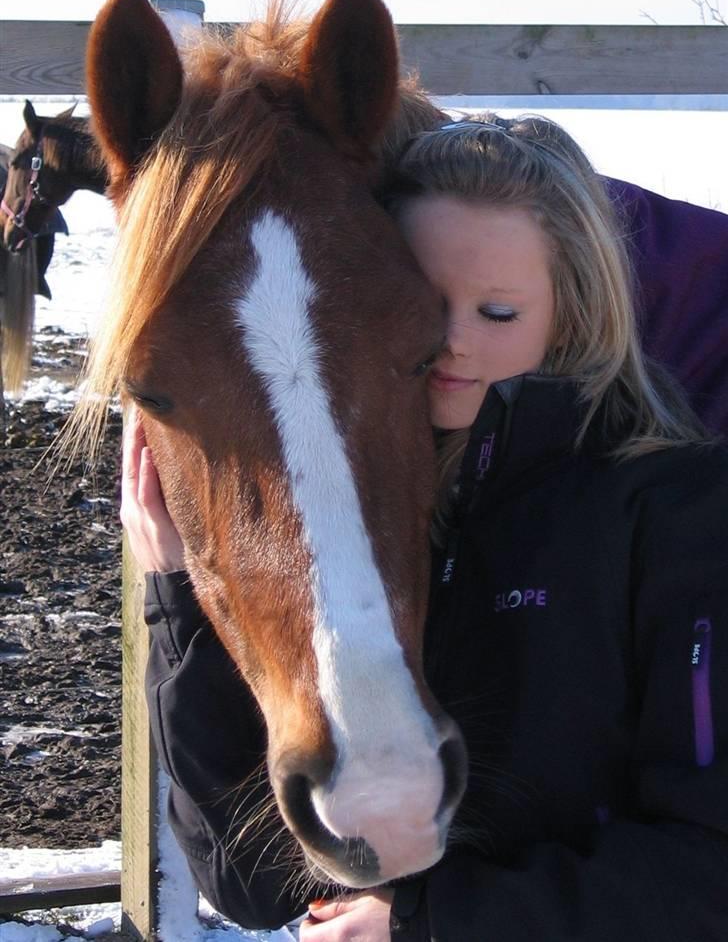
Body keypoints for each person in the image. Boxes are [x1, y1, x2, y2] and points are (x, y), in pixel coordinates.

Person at [122, 113, 728, 941]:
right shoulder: (375, 516)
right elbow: (249, 882)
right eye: (417, 304)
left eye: (500, 311)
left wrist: (434, 919)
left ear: (575, 309)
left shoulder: (682, 514)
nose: (450, 342)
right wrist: (176, 594)